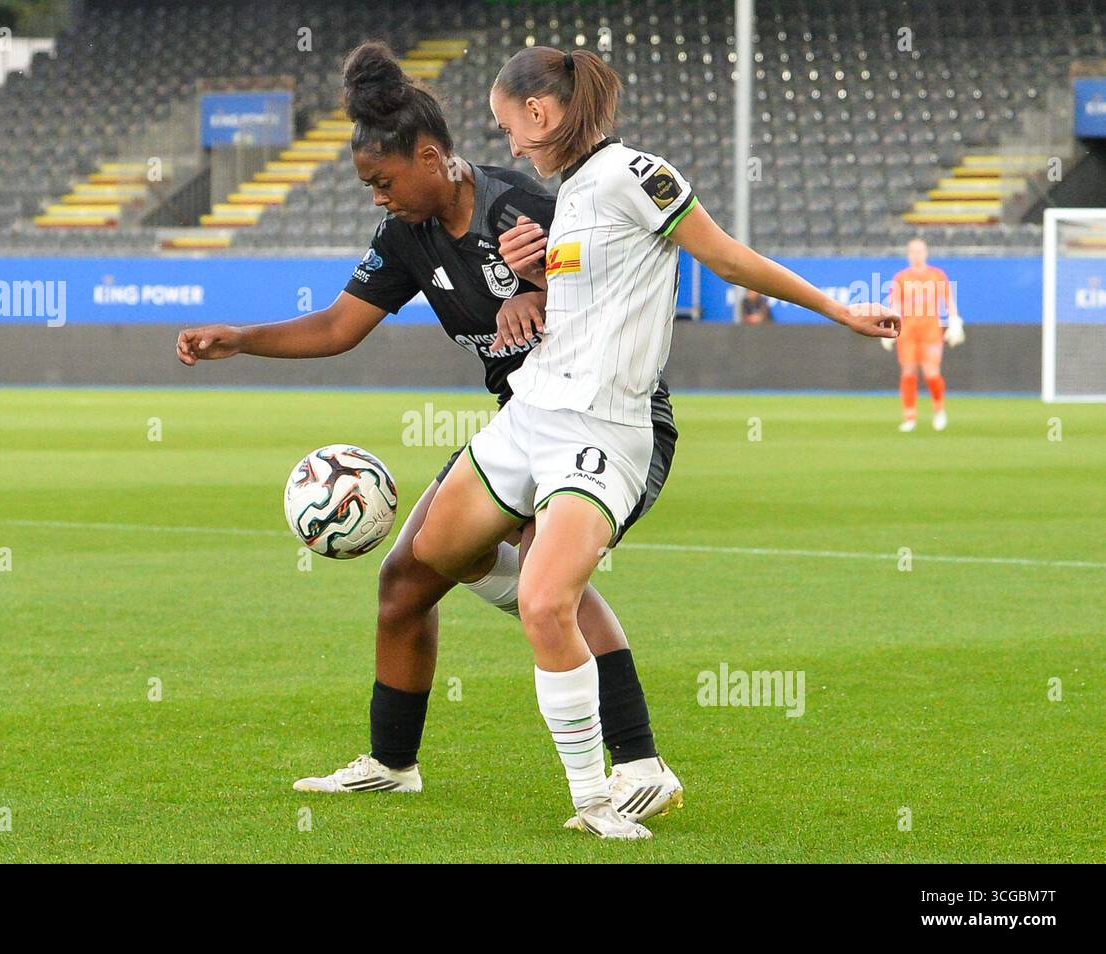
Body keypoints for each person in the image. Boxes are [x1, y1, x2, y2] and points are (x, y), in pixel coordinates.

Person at [175, 43, 683, 824]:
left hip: (608, 417)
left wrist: (541, 292)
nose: (377, 198)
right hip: (525, 420)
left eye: (383, 181)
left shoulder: (523, 203)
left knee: (550, 589)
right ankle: (391, 763)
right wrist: (242, 337)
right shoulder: (406, 234)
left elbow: (622, 291)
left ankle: (637, 761)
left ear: (433, 156)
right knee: (409, 581)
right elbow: (341, 326)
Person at [411, 46, 899, 839]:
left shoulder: (637, 174)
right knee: (439, 550)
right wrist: (525, 281)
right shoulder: (567, 196)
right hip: (529, 413)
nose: (509, 147)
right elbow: (580, 308)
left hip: (601, 431)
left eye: (509, 128)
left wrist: (837, 309)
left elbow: (727, 256)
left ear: (541, 113)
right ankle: (569, 633)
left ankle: (597, 796)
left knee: (541, 598)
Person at [884, 238, 965, 432]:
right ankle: (909, 416)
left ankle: (939, 411)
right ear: (908, 254)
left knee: (931, 372)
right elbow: (895, 305)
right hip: (908, 331)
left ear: (926, 253)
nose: (916, 255)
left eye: (920, 251)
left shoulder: (937, 276)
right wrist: (888, 329)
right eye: (913, 251)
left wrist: (954, 321)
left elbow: (949, 301)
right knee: (908, 371)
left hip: (930, 331)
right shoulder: (901, 278)